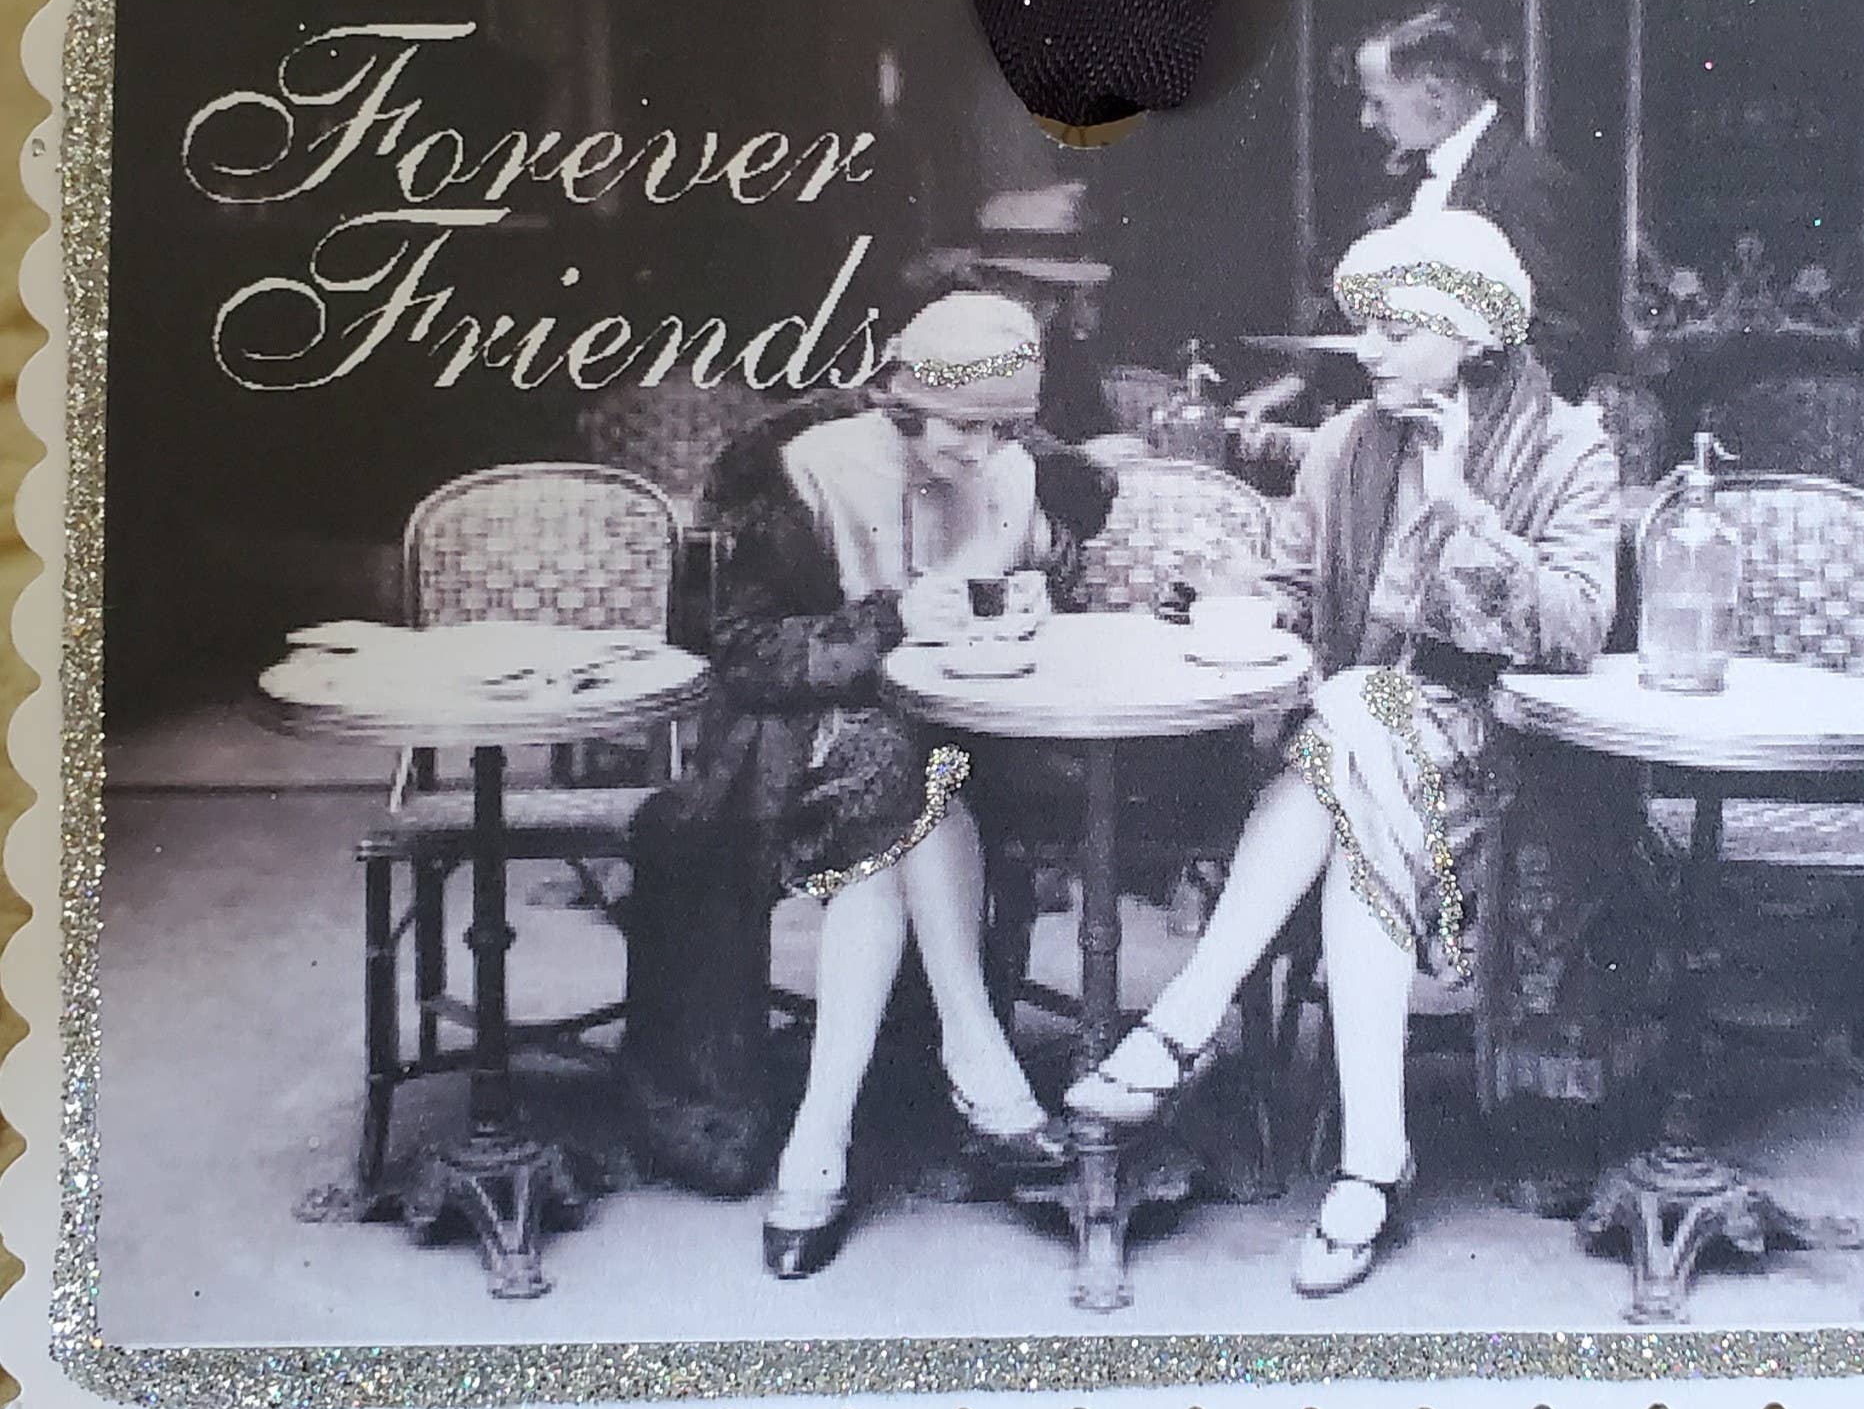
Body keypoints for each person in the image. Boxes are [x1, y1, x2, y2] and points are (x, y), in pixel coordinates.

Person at [1066, 209, 1622, 1296]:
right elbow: (1289, 589)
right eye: (1363, 326)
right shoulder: (1344, 444)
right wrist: (1229, 595)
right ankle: (1372, 1159)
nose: (1364, 350)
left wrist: (1463, 510)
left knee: (1349, 718)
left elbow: (1573, 629)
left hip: (1502, 760)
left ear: (1474, 333)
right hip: (1362, 756)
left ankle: (1186, 1018)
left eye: (1393, 331)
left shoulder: (1568, 447)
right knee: (1358, 758)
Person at [619, 290, 1116, 1278]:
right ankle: (976, 1060)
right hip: (792, 746)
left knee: (910, 784)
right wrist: (885, 622)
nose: (979, 450)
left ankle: (821, 1140)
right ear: (904, 402)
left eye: (1000, 429)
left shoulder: (1013, 468)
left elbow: (1028, 588)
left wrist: (1026, 600)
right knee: (905, 784)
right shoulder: (808, 471)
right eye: (959, 426)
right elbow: (743, 655)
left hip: (962, 744)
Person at [1352, 6, 1607, 394]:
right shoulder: (1413, 180)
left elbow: (1561, 341)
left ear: (1435, 94)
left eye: (1379, 103)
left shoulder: (1526, 182)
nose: (1367, 120)